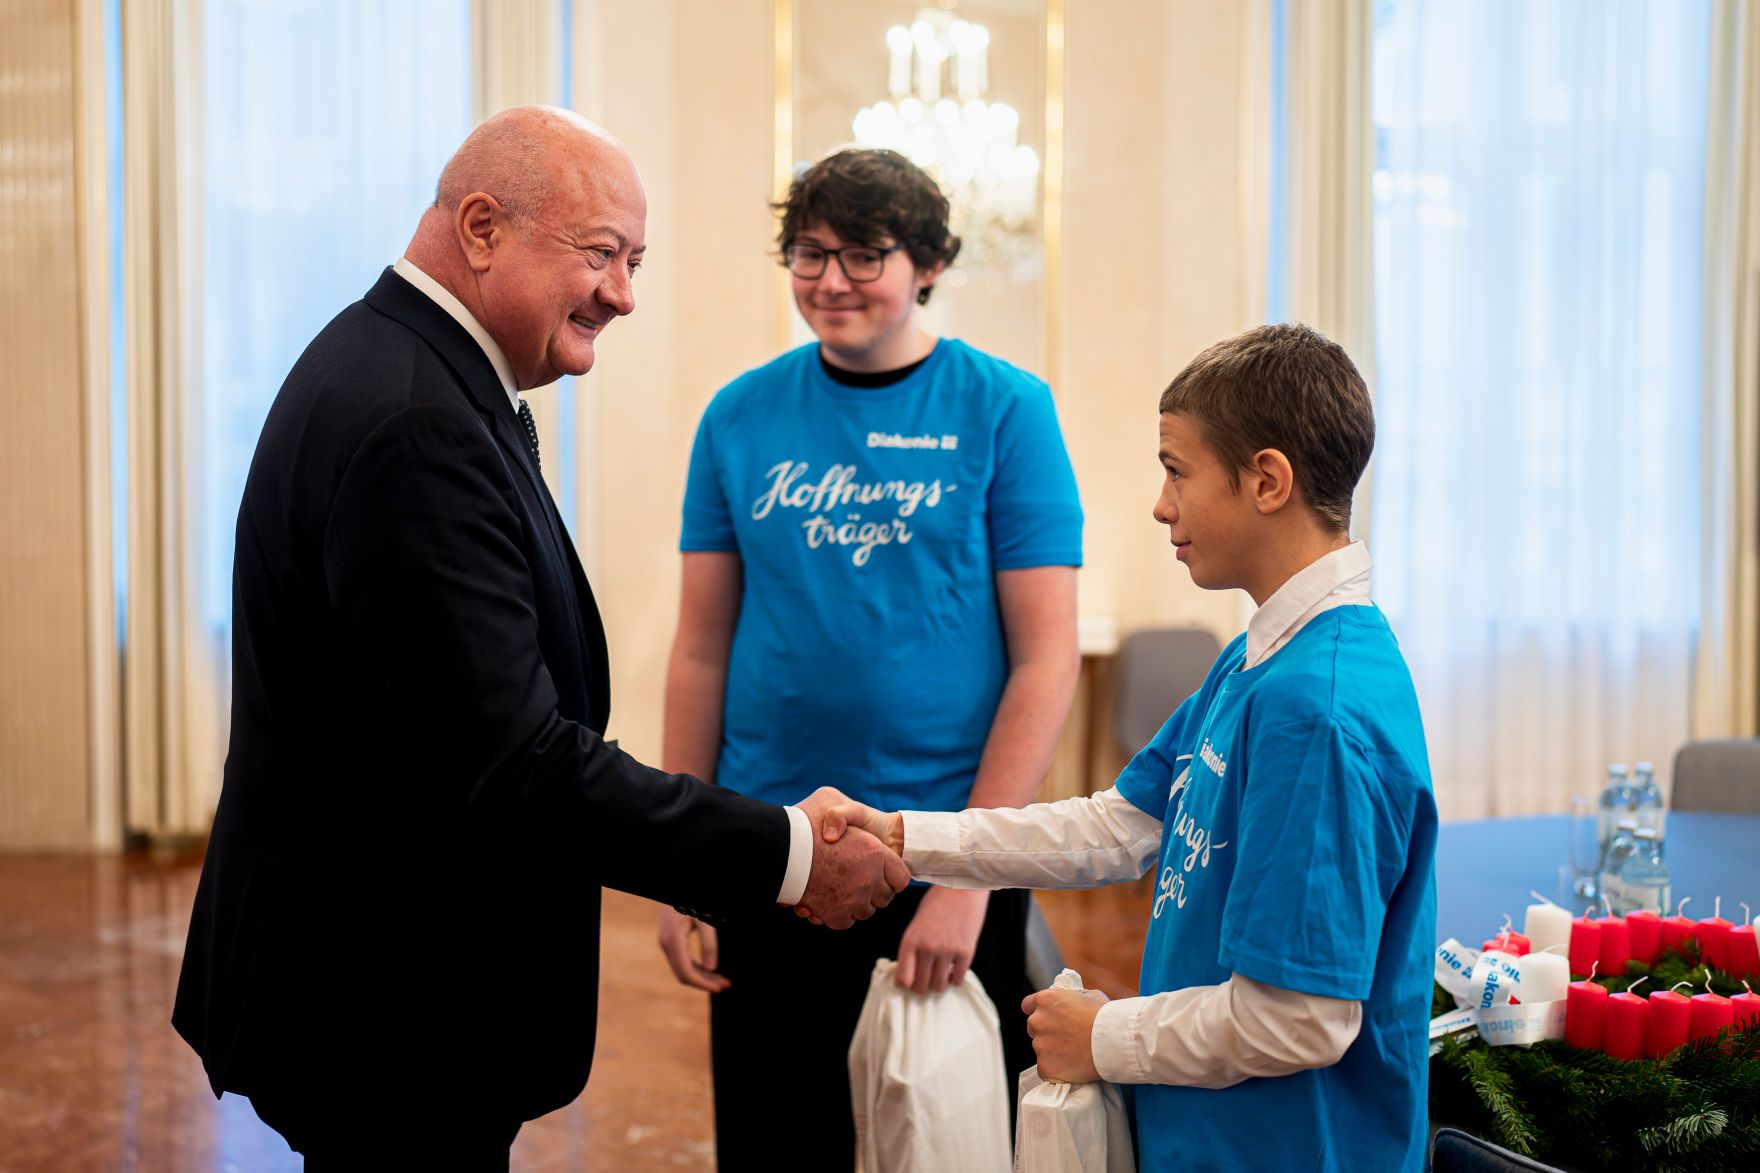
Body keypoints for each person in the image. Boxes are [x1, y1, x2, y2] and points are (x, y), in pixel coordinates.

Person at [170, 107, 907, 1169]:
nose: (623, 293)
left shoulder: (402, 364)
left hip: (372, 985)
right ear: (480, 227)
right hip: (387, 1007)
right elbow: (515, 764)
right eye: (601, 254)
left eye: (635, 261)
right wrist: (785, 855)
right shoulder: (414, 420)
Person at [819, 323, 1439, 1172]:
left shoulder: (1316, 708)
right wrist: (901, 835)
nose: (1160, 502)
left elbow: (1302, 1017)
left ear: (1266, 480)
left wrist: (1103, 1035)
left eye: (1176, 470)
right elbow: (1118, 825)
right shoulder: (1259, 657)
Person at [654, 147, 1083, 1167]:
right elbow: (700, 650)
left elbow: (1045, 661)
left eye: (862, 253)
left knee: (937, 1142)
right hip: (771, 842)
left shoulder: (1004, 409)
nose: (829, 278)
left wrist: (970, 880)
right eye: (806, 251)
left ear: (927, 264)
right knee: (774, 1134)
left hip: (941, 846)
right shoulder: (737, 416)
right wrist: (680, 858)